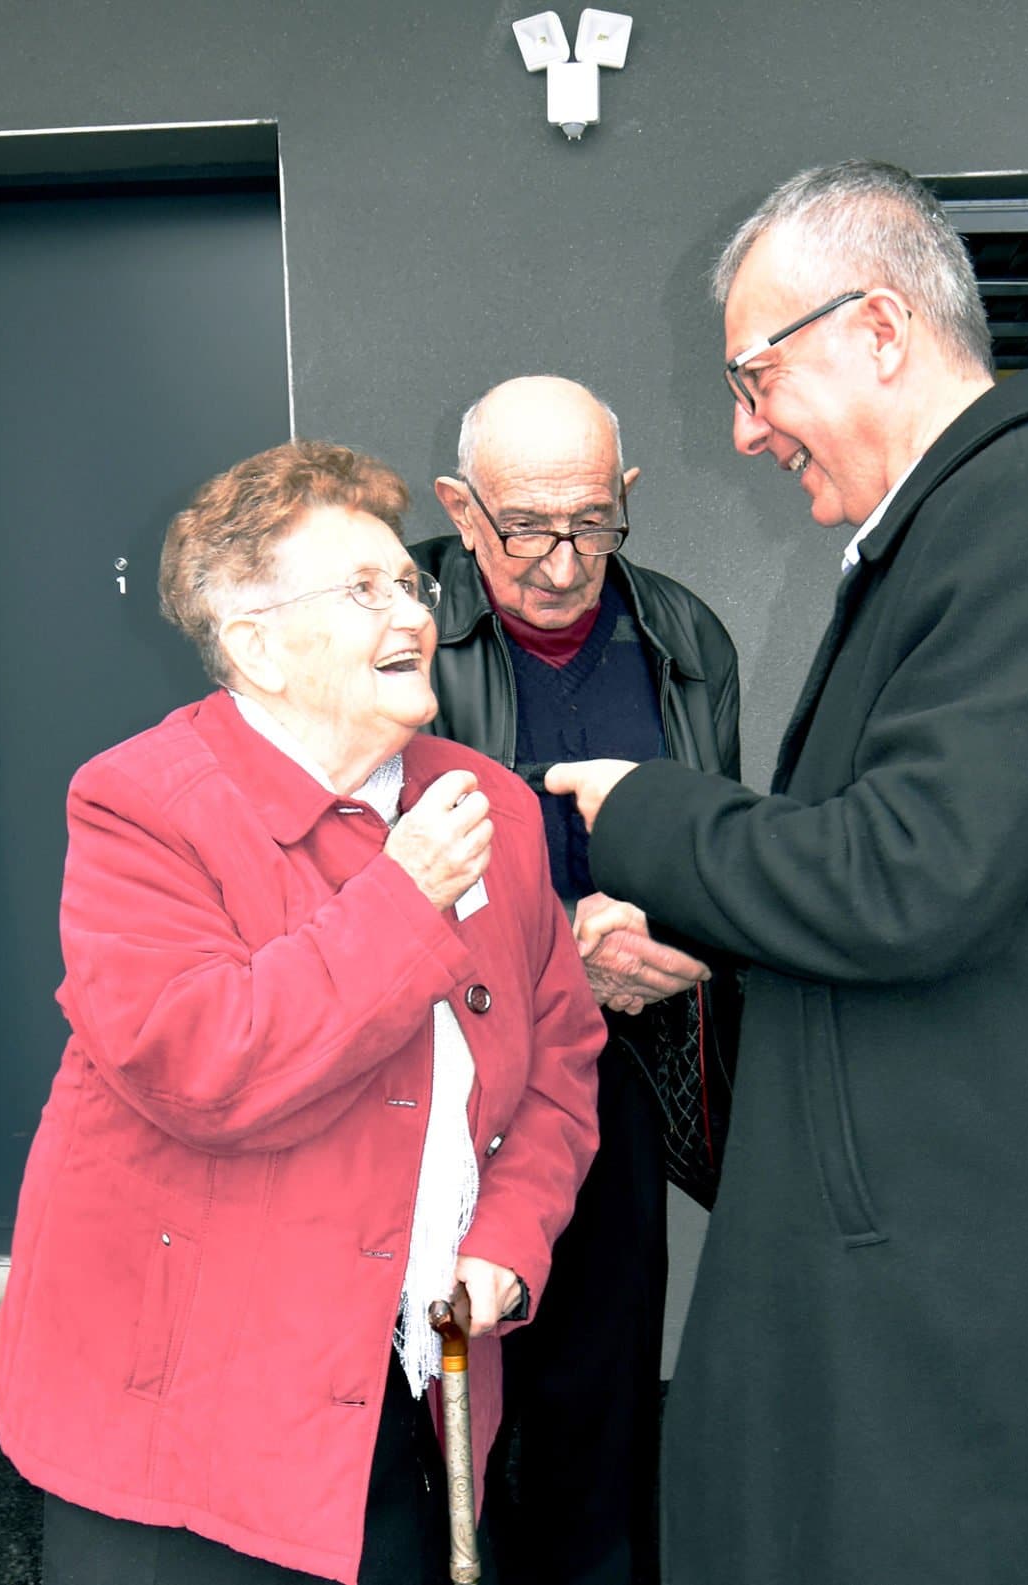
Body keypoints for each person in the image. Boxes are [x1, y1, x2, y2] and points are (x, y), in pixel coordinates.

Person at [546, 160, 1028, 1585]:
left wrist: (648, 814)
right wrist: (716, 930)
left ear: (879, 328)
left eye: (752, 375)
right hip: (941, 1254)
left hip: (972, 1302)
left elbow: (908, 874)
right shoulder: (977, 525)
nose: (742, 430)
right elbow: (967, 875)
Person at [0, 439, 604, 1585]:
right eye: (360, 590)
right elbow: (204, 1066)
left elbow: (562, 1063)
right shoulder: (140, 807)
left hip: (408, 1395)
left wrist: (507, 1248)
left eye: (406, 583)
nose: (411, 613)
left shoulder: (493, 809)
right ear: (254, 643)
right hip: (183, 1428)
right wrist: (403, 895)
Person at [414, 375, 741, 1585]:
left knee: (599, 1377)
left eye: (592, 523)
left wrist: (682, 931)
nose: (562, 563)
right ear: (460, 505)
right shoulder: (393, 626)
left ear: (627, 500)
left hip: (613, 1071)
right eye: (526, 528)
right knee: (431, 1377)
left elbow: (721, 839)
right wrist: (557, 936)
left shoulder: (685, 635)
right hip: (431, 1074)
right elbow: (340, 868)